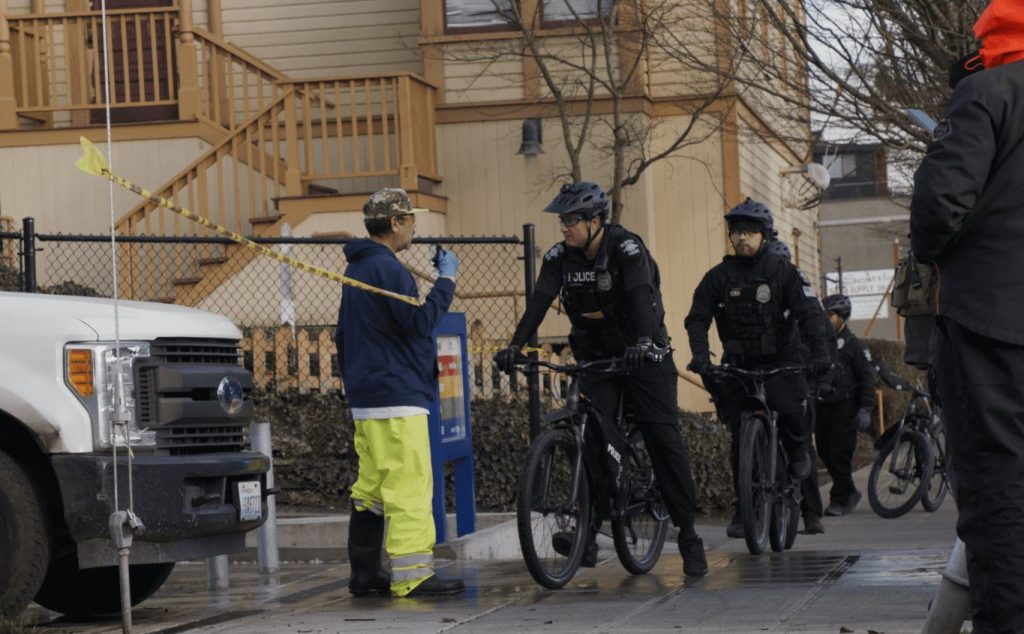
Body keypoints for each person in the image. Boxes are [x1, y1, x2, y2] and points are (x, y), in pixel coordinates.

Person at [493, 181, 708, 578]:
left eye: (572, 220)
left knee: (661, 438)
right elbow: (540, 300)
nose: (565, 228)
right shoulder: (560, 258)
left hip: (644, 356)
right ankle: (587, 534)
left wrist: (645, 340)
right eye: (562, 221)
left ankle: (689, 534)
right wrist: (515, 345)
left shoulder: (626, 250)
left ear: (595, 221)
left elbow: (643, 297)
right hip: (596, 357)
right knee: (590, 435)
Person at [910, 3, 1024, 630]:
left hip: (992, 324)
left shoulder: (985, 93)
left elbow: (938, 206)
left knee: (998, 493)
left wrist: (936, 252)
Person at [334, 188, 465, 598]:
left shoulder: (358, 270)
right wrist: (446, 280)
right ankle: (413, 575)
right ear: (394, 224)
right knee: (409, 486)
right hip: (398, 395)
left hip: (367, 398)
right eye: (410, 219)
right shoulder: (390, 272)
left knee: (371, 490)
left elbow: (344, 334)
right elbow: (419, 321)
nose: (414, 227)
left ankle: (366, 572)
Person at [685, 199, 831, 539]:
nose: (741, 238)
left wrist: (820, 354)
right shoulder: (719, 276)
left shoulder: (784, 272)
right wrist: (701, 355)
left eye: (749, 232)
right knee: (740, 437)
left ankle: (796, 452)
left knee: (793, 413)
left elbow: (810, 314)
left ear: (764, 235)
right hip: (739, 364)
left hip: (782, 360)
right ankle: (744, 508)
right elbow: (697, 317)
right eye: (736, 232)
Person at [766, 238, 827, 536]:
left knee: (801, 448)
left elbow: (821, 338)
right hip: (771, 378)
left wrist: (817, 372)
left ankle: (812, 514)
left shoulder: (802, 298)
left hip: (801, 381)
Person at [816, 294, 876, 517]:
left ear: (842, 318)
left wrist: (866, 408)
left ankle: (839, 499)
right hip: (823, 406)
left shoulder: (854, 346)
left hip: (845, 408)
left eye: (830, 315)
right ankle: (850, 491)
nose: (826, 319)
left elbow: (867, 379)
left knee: (840, 455)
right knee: (824, 451)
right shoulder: (820, 344)